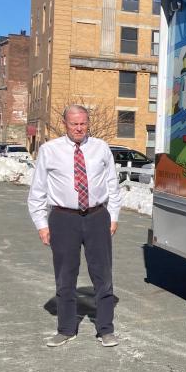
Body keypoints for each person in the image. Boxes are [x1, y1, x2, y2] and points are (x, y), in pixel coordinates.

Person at [27, 105, 122, 347]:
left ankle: (105, 328)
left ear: (87, 123)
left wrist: (113, 216)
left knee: (102, 275)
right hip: (63, 219)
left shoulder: (101, 148)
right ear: (65, 124)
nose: (79, 128)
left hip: (97, 216)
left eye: (82, 123)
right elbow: (37, 191)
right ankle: (66, 328)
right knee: (65, 276)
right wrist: (41, 224)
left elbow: (113, 185)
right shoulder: (50, 151)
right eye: (73, 124)